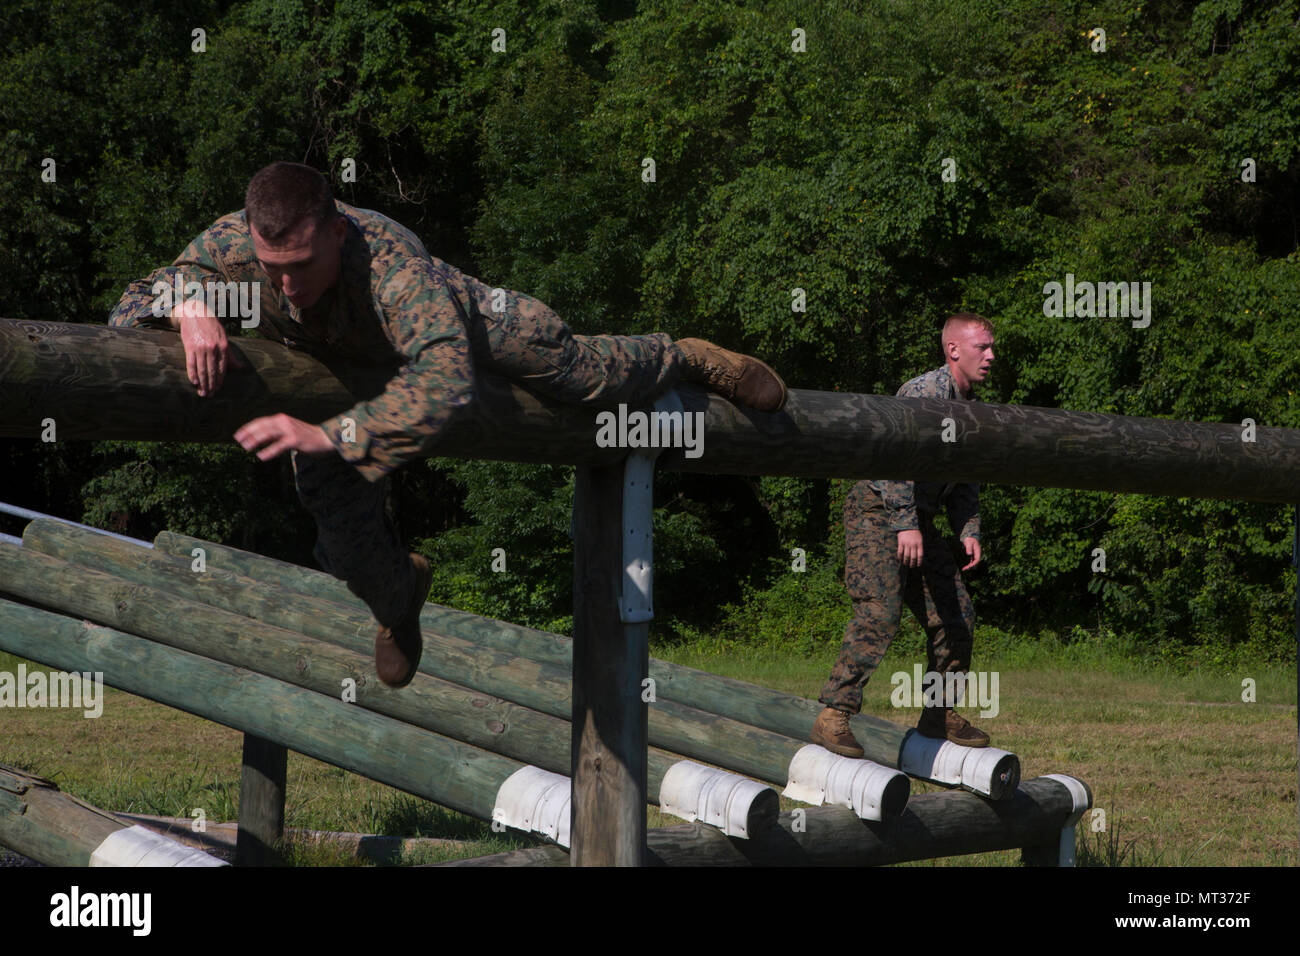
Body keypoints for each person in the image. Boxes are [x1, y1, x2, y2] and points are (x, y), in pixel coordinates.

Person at [107, 161, 787, 688]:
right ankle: (401, 596)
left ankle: (687, 356)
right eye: (271, 270)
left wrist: (336, 434)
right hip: (334, 372)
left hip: (459, 328)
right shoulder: (235, 248)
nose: (285, 287)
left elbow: (446, 379)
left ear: (337, 233)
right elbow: (131, 300)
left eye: (303, 267)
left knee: (577, 374)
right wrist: (187, 306)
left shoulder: (393, 270)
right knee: (338, 530)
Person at [810, 313, 995, 755]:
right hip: (879, 510)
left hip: (919, 518)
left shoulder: (971, 408)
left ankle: (938, 714)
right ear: (953, 350)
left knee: (957, 617)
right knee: (881, 611)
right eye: (981, 348)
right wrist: (905, 522)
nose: (991, 356)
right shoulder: (924, 393)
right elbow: (891, 456)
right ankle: (833, 714)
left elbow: (966, 478)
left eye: (991, 348)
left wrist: (968, 529)